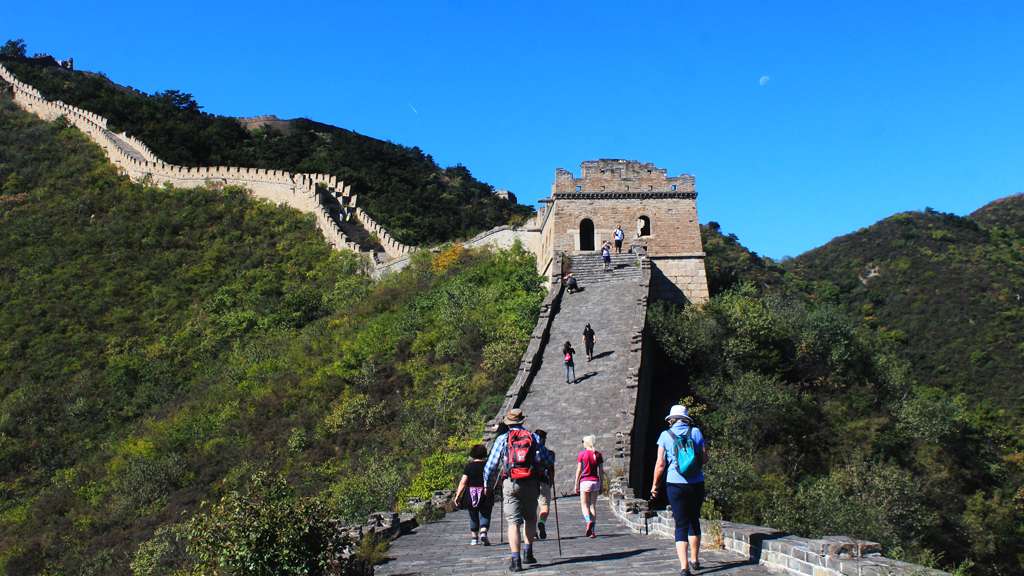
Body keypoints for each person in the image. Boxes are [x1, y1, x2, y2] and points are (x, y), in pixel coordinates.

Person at [484, 408, 555, 572]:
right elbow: (548, 458)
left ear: (508, 423)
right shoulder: (533, 437)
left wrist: (488, 485)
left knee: (513, 523)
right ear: (522, 421)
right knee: (530, 519)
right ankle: (528, 553)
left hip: (511, 482)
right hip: (530, 482)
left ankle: (516, 561)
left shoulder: (503, 439)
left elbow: (490, 467)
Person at [650, 405, 708, 576]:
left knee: (680, 524)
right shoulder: (696, 432)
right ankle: (695, 559)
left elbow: (660, 464)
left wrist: (655, 486)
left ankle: (684, 568)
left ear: (671, 419)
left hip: (675, 484)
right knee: (694, 520)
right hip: (696, 483)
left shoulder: (665, 436)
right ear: (686, 419)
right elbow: (704, 458)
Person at [452, 444, 494, 546]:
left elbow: (463, 482)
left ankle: (474, 538)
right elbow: (493, 479)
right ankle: (483, 531)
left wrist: (458, 496)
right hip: (485, 492)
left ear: (473, 454)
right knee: (485, 513)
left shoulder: (469, 466)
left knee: (473, 515)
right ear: (484, 454)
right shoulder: (488, 465)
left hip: (472, 494)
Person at [574, 435, 604, 538]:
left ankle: (588, 521)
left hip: (585, 482)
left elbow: (579, 471)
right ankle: (593, 531)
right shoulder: (598, 455)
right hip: (595, 482)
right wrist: (601, 484)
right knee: (592, 506)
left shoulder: (582, 454)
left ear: (585, 443)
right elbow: (601, 471)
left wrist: (576, 484)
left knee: (584, 505)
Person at [534, 429, 556, 539]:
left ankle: (532, 529)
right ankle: (541, 522)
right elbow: (551, 469)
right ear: (543, 439)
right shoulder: (547, 452)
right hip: (543, 481)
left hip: (528, 482)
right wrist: (551, 482)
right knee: (544, 507)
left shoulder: (527, 449)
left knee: (530, 508)